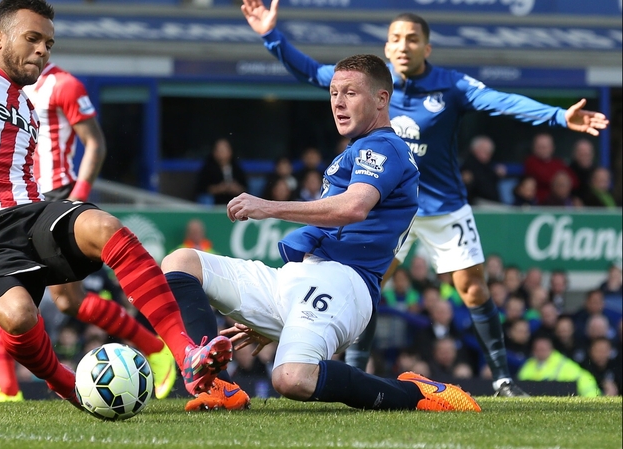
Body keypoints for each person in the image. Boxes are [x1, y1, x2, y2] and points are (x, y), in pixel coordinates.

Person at [0, 0, 231, 409]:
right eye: (33, 39)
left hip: (31, 212)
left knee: (106, 227)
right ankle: (68, 386)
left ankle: (186, 354)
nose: (43, 50)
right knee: (19, 316)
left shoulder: (27, 108)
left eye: (49, 43)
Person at [240, 0, 608, 396]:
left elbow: (502, 101)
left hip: (444, 205)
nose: (403, 45)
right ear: (386, 47)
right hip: (389, 209)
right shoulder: (367, 86)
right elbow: (312, 72)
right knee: (365, 283)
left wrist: (557, 117)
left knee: (473, 289)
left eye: (412, 39)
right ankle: (357, 374)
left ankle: (501, 379)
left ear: (426, 48)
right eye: (396, 38)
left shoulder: (452, 85)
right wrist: (270, 35)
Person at [161, 54, 480, 413]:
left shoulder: (384, 147)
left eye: (350, 93)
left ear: (381, 99)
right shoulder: (357, 149)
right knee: (181, 262)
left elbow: (353, 207)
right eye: (333, 93)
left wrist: (269, 207)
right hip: (295, 278)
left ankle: (416, 394)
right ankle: (216, 385)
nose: (339, 103)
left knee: (292, 379)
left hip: (344, 283)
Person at [0, 49, 176, 403]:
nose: (33, 48)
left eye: (39, 40)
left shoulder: (63, 85)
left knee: (68, 301)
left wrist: (76, 200)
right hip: (15, 198)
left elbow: (94, 144)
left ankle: (155, 349)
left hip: (56, 196)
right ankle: (6, 386)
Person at [523, 133, 579, 204]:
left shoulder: (559, 163)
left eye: (546, 146)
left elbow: (574, 182)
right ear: (534, 148)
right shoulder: (530, 162)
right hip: (540, 203)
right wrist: (560, 180)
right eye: (540, 146)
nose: (543, 149)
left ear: (552, 147)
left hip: (563, 201)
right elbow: (543, 177)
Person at [195, 137, 249, 205]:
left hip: (234, 201)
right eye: (219, 150)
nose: (222, 153)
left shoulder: (237, 168)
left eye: (224, 149)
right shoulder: (208, 168)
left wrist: (235, 188)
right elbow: (201, 189)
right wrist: (219, 188)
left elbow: (245, 188)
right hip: (215, 202)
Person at [460, 135, 505, 204]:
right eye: (483, 150)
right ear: (474, 149)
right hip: (476, 203)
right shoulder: (467, 166)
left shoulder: (490, 166)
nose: (487, 154)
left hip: (493, 203)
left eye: (489, 151)